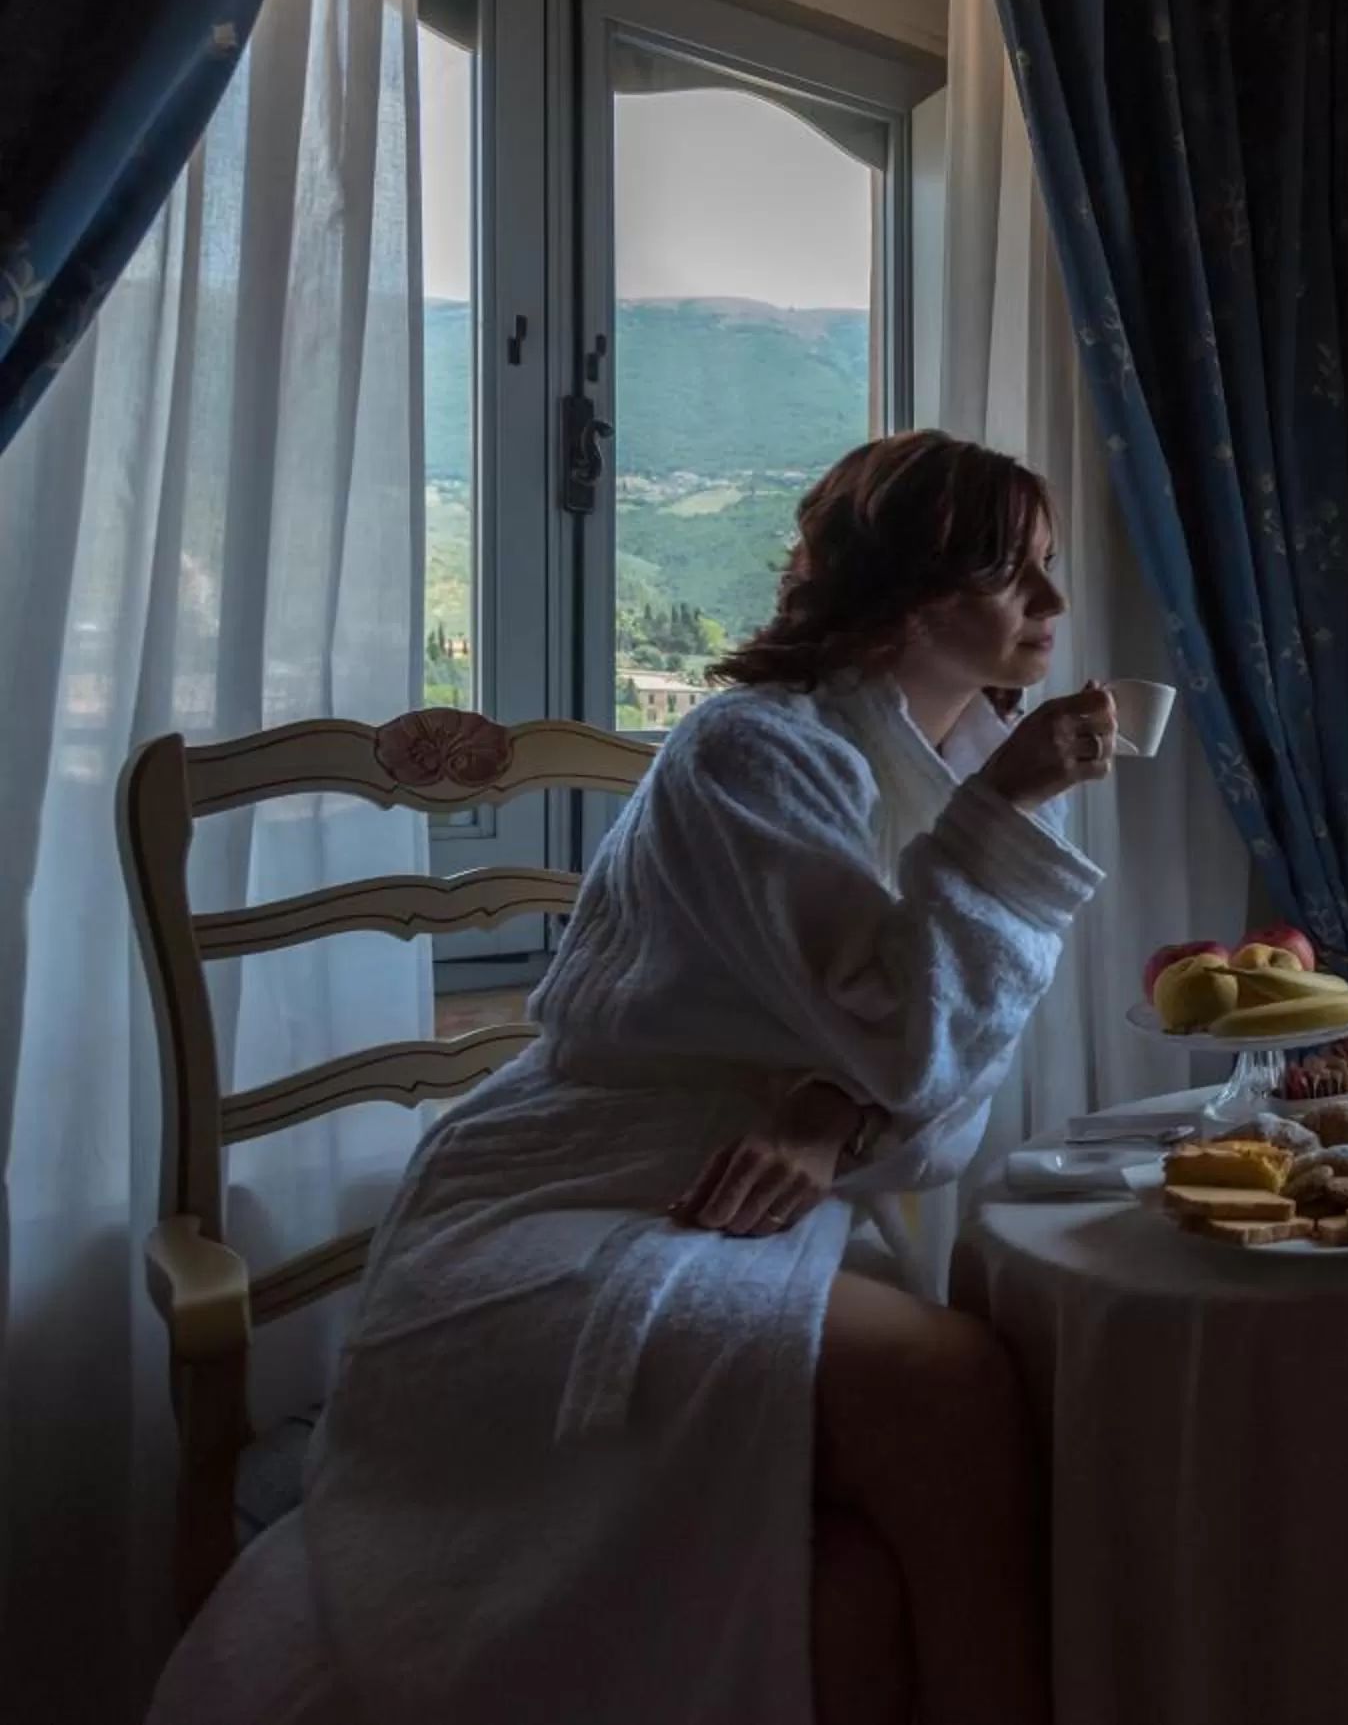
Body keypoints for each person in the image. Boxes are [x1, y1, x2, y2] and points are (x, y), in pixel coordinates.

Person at [153, 431, 1112, 1725]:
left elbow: (930, 1099)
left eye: (1050, 572)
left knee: (862, 1592)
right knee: (952, 1393)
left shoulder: (929, 775)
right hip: (550, 1213)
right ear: (908, 592)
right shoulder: (753, 752)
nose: (1054, 608)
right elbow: (904, 1046)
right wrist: (998, 813)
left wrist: (830, 1115)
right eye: (1020, 574)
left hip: (719, 1203)